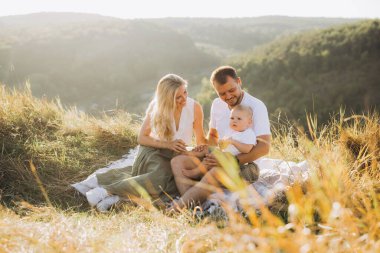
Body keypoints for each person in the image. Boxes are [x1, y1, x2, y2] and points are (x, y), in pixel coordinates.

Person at [82, 74, 207, 210]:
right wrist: (168, 144)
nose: (184, 99)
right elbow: (142, 138)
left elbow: (200, 139)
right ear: (166, 99)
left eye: (185, 92)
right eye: (178, 97)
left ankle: (117, 197)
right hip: (153, 151)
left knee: (175, 184)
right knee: (160, 177)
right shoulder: (157, 107)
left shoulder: (195, 107)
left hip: (176, 155)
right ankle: (106, 190)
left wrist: (200, 148)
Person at [170, 66, 271, 209]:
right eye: (222, 93)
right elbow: (213, 136)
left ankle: (177, 209)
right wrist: (205, 149)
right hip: (221, 155)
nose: (228, 96)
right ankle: (193, 207)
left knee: (216, 172)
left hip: (245, 165)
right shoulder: (217, 104)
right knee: (178, 162)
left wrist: (230, 160)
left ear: (239, 82)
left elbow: (264, 148)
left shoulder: (256, 106)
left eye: (232, 90)